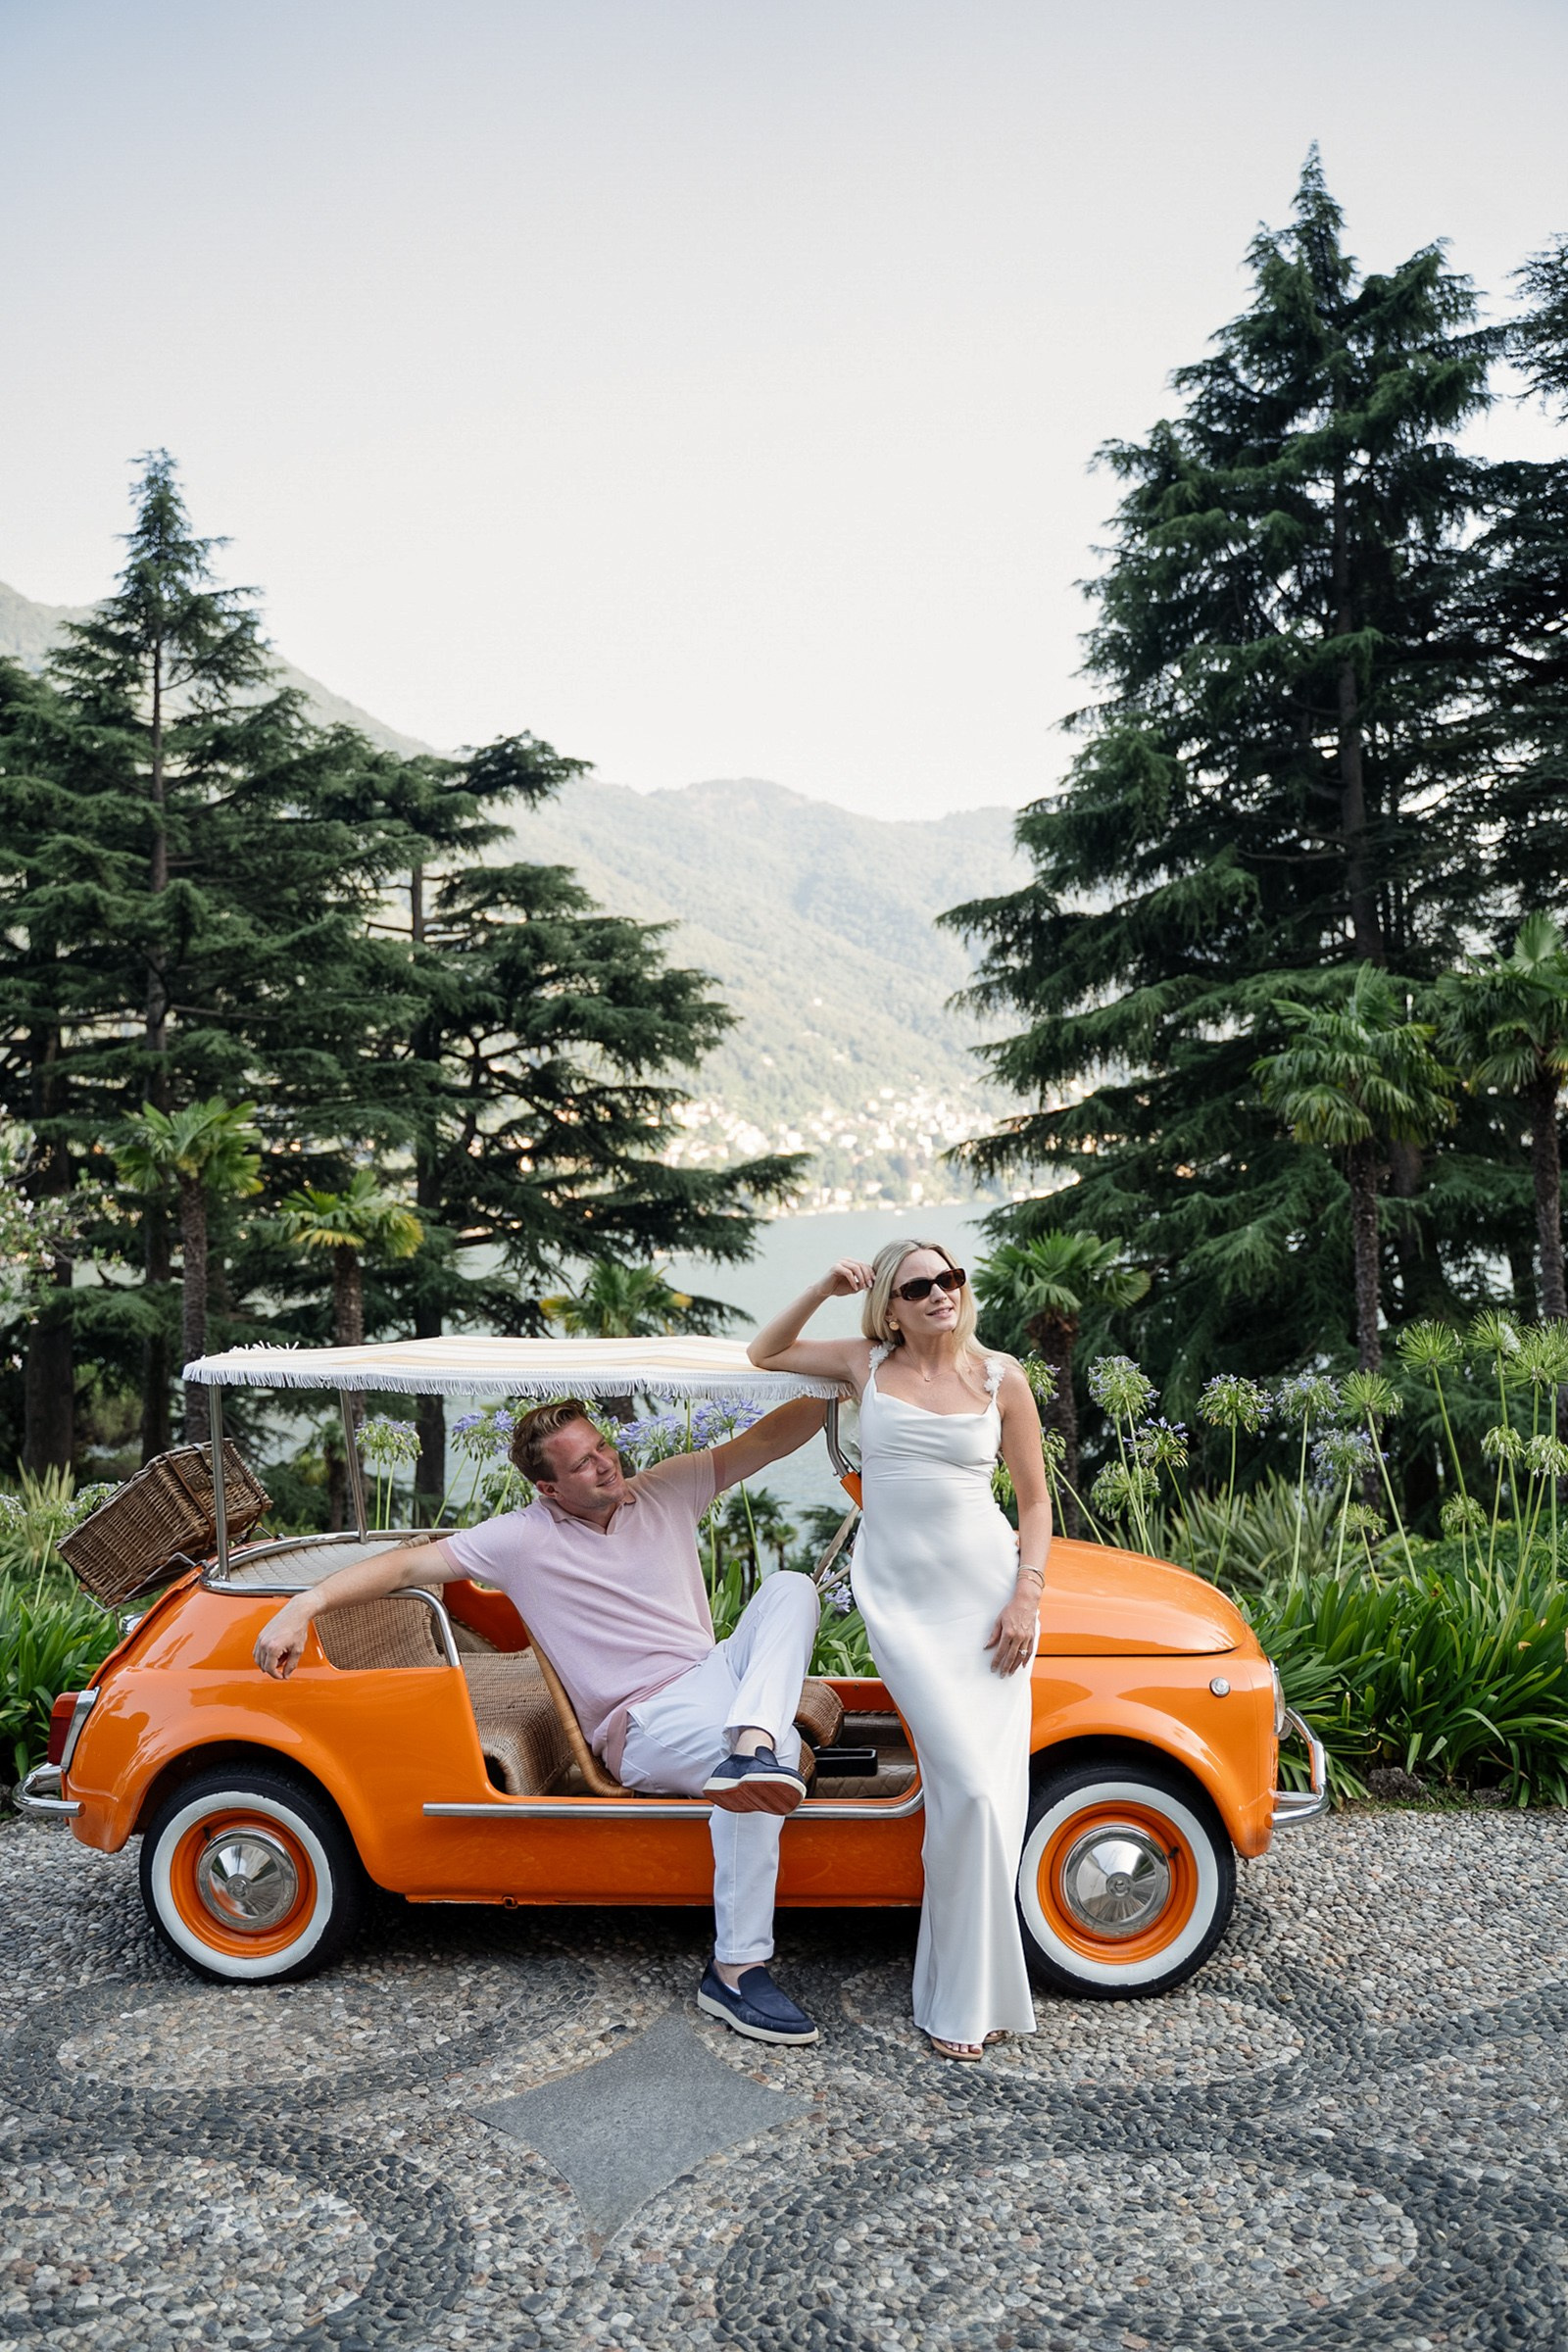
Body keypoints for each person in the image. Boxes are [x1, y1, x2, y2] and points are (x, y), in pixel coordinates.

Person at [254, 1393, 827, 2045]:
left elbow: (766, 1440)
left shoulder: (664, 1489)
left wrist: (849, 1377)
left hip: (717, 1674)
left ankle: (750, 1742)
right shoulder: (521, 1539)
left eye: (604, 1447)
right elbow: (410, 1564)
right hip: (645, 1720)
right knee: (767, 1772)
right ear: (548, 1488)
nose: (607, 1466)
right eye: (583, 1464)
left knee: (791, 1589)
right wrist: (306, 1603)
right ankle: (734, 1970)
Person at [749, 1241, 1049, 2061]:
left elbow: (1033, 1500)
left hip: (990, 1601)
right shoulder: (864, 1364)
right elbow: (765, 1351)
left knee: (985, 1802)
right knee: (966, 1789)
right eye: (918, 1286)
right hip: (906, 1609)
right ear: (889, 1304)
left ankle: (965, 1995)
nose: (939, 1294)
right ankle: (960, 1992)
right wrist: (820, 1280)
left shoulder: (1001, 1377)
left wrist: (1028, 1594)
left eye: (949, 1279)